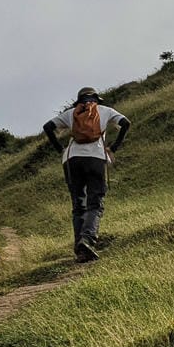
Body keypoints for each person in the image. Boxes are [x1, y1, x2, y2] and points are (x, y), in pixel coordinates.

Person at [43, 87, 131, 262]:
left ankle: (80, 250)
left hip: (72, 159)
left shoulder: (70, 113)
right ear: (96, 99)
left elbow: (48, 127)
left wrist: (60, 149)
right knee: (95, 203)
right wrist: (113, 147)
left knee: (78, 205)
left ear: (79, 100)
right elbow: (125, 123)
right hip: (96, 158)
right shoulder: (105, 110)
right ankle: (87, 240)